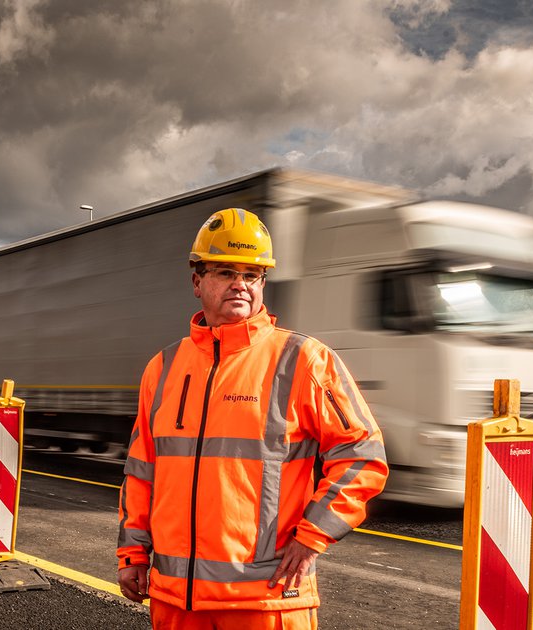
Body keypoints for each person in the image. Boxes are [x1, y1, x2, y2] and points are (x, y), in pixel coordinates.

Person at [117, 208, 388, 629]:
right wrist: (133, 553)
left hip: (265, 602)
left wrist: (312, 537)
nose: (241, 284)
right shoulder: (163, 368)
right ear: (196, 281)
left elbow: (362, 456)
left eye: (253, 274)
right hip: (175, 601)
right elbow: (142, 471)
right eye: (226, 272)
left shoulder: (303, 360)